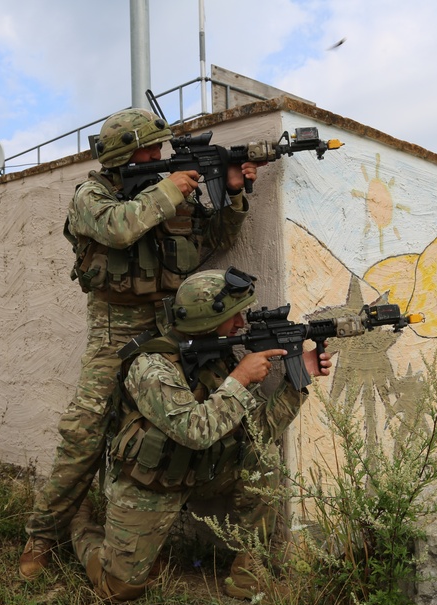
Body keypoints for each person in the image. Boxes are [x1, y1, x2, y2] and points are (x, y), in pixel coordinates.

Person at [19, 108, 265, 579]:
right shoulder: (91, 196)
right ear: (122, 156)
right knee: (86, 432)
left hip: (173, 326)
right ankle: (43, 535)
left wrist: (232, 192)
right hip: (115, 327)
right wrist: (172, 186)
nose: (159, 156)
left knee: (170, 425)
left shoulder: (167, 188)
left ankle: (135, 536)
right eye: (149, 150)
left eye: (159, 149)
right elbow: (120, 227)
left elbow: (212, 237)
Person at [69, 267, 331, 602]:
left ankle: (250, 576)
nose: (241, 324)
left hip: (201, 471)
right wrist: (239, 379)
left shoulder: (218, 352)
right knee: (119, 589)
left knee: (261, 458)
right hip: (151, 484)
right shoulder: (151, 368)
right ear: (206, 320)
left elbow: (256, 431)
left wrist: (298, 381)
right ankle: (79, 525)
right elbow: (194, 430)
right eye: (234, 316)